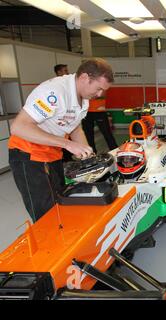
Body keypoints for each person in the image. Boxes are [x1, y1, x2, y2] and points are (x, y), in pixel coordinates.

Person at [9, 58, 114, 222]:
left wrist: (88, 157)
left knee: (62, 202)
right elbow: (19, 127)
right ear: (85, 78)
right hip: (29, 155)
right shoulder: (54, 92)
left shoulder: (83, 98)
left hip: (52, 154)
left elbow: (74, 127)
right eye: (99, 88)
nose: (100, 94)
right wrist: (67, 144)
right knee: (45, 213)